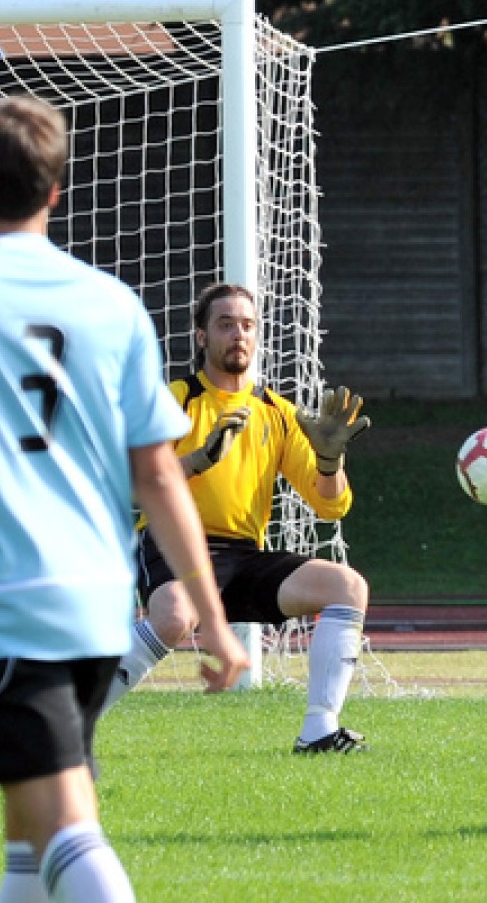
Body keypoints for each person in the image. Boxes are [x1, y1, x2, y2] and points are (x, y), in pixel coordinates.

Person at [0, 95, 249, 903]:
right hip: (95, 602)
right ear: (57, 190)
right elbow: (162, 475)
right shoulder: (112, 303)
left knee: (68, 825)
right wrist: (213, 618)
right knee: (28, 828)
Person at [101, 282, 373, 755]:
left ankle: (319, 732)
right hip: (174, 546)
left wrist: (330, 462)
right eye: (225, 325)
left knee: (348, 587)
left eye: (247, 325)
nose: (239, 335)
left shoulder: (278, 412)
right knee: (174, 617)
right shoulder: (176, 399)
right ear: (202, 336)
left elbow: (331, 506)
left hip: (244, 557)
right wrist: (196, 462)